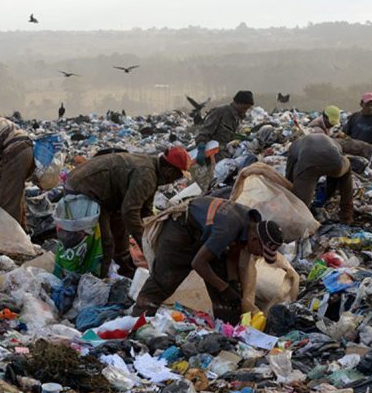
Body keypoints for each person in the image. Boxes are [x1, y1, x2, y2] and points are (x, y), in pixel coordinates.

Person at [132, 196, 284, 322]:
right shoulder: (227, 228)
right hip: (181, 231)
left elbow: (232, 253)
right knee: (164, 280)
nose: (258, 255)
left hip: (204, 235)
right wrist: (224, 288)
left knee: (226, 287)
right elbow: (198, 263)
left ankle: (228, 329)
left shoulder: (250, 223)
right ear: (255, 240)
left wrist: (231, 283)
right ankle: (138, 320)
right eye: (260, 252)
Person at [64, 146, 190, 277]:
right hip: (83, 189)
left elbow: (145, 210)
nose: (176, 180)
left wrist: (155, 235)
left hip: (105, 195)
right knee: (107, 242)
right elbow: (130, 212)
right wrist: (145, 243)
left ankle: (126, 273)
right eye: (178, 175)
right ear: (169, 171)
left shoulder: (152, 170)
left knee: (121, 235)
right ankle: (101, 280)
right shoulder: (146, 175)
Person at [285, 133, 353, 223]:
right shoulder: (334, 143)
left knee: (301, 206)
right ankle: (346, 216)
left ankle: (300, 225)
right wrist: (329, 192)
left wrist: (292, 191)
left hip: (308, 166)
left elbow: (289, 174)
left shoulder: (294, 147)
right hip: (334, 163)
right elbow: (333, 175)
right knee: (346, 171)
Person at [195, 91, 255, 163]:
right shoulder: (220, 112)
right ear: (236, 103)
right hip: (213, 156)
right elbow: (204, 132)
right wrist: (201, 149)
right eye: (244, 108)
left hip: (226, 156)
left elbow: (229, 135)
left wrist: (242, 138)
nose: (245, 111)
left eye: (247, 109)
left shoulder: (237, 117)